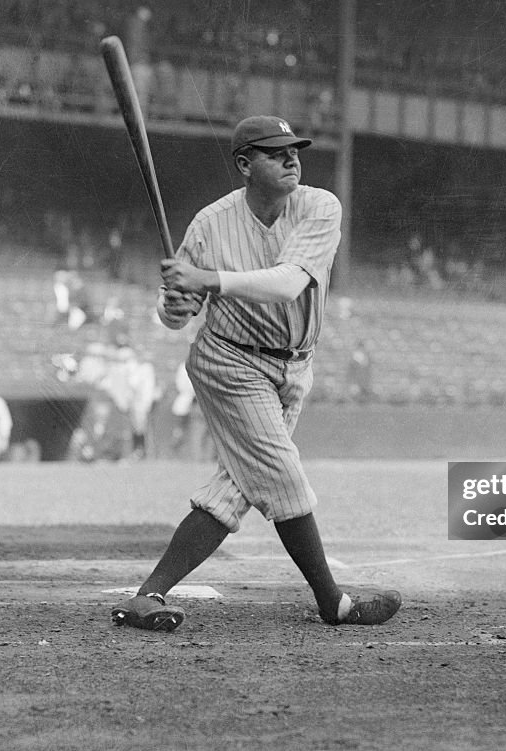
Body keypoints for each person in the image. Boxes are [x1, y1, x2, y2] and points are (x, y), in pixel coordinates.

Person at [111, 115, 401, 631]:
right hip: (230, 360)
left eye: (294, 150)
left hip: (294, 367)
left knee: (235, 488)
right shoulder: (210, 224)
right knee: (283, 477)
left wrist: (204, 279)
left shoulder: (319, 206)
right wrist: (177, 302)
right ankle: (333, 603)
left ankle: (146, 595)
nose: (292, 158)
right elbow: (173, 314)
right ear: (245, 164)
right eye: (275, 152)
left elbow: (290, 282)